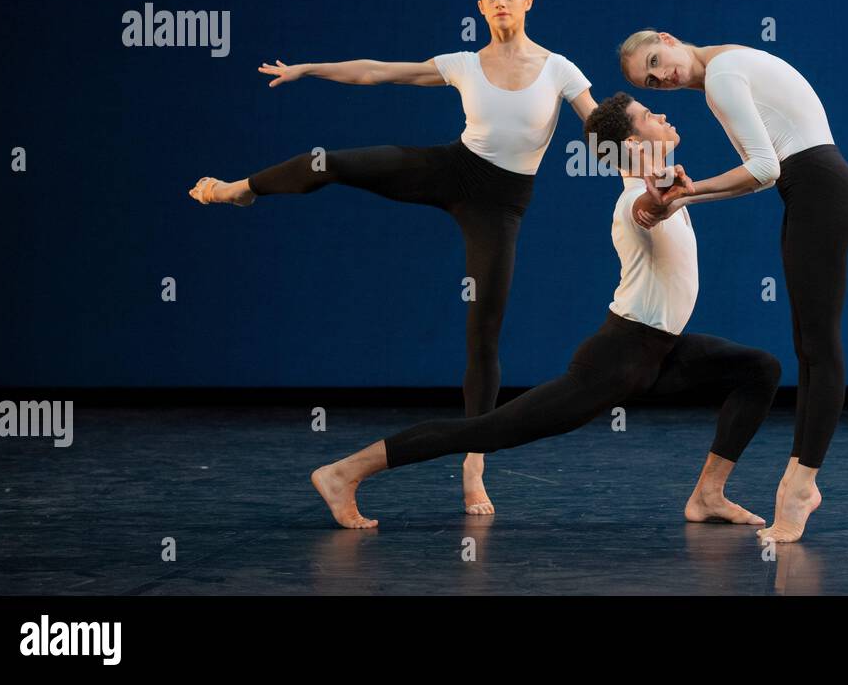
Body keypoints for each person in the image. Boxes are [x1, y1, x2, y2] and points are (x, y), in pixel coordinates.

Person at [188, 0, 597, 515]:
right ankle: (243, 189)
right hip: (450, 169)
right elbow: (378, 72)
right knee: (331, 160)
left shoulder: (558, 68)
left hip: (500, 205)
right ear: (480, 7)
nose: (500, 2)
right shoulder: (463, 64)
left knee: (484, 334)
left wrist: (644, 163)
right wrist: (309, 69)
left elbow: (599, 126)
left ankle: (473, 465)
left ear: (529, 2)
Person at [309, 92, 780, 529]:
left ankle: (707, 496)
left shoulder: (664, 183)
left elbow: (672, 193)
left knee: (760, 369)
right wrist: (659, 202)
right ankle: (344, 472)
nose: (661, 114)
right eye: (647, 114)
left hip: (663, 350)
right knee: (488, 432)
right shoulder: (635, 199)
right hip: (619, 357)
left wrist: (676, 190)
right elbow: (646, 210)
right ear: (634, 142)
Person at [619, 31, 848, 542]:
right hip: (818, 190)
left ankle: (800, 488)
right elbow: (772, 171)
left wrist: (688, 195)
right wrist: (690, 195)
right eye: (652, 81)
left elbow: (764, 168)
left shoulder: (724, 78)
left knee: (819, 348)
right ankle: (800, 482)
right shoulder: (734, 62)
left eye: (657, 61)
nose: (663, 78)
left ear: (669, 39)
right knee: (810, 346)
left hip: (818, 190)